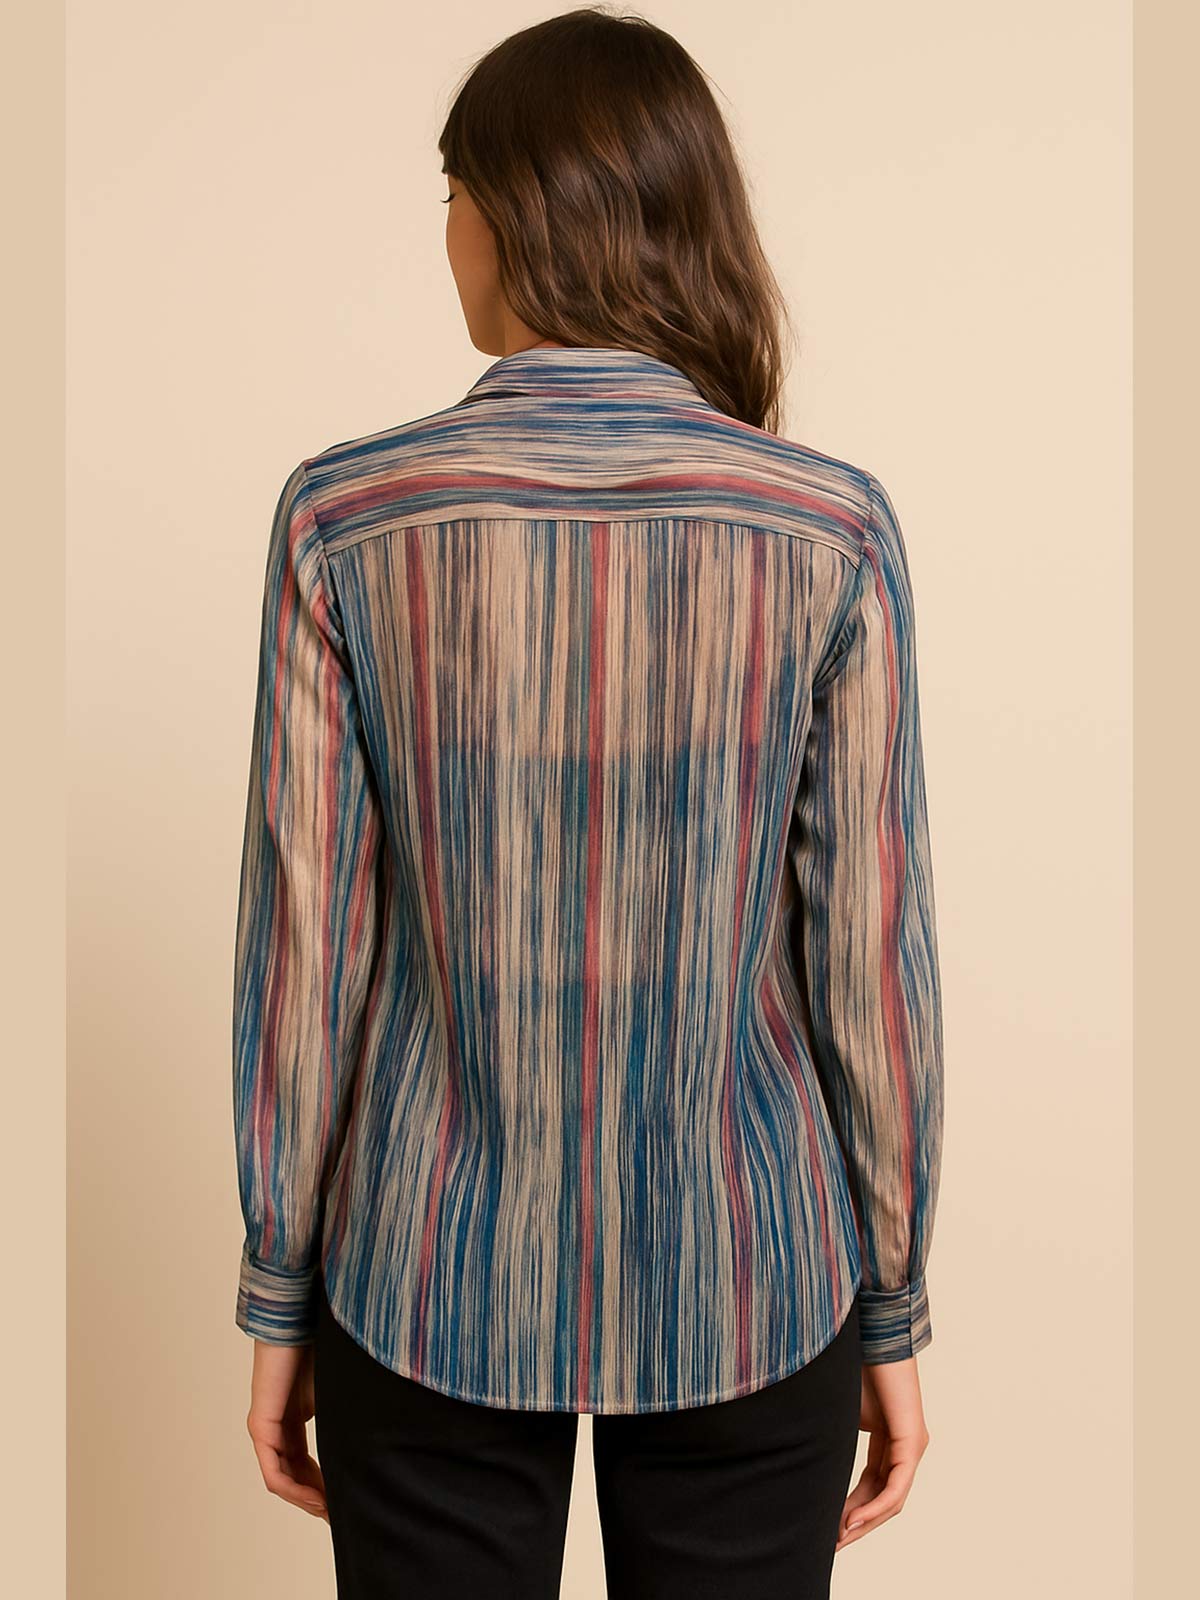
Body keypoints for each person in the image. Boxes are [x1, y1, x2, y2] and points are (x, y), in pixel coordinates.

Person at [231, 7, 944, 1598]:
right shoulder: (829, 529)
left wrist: (280, 1295)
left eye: (454, 195)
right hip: (756, 1272)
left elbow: (305, 949)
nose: (448, 236)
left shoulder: (347, 520)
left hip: (421, 1274)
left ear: (514, 216)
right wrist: (891, 1307)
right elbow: (871, 966)